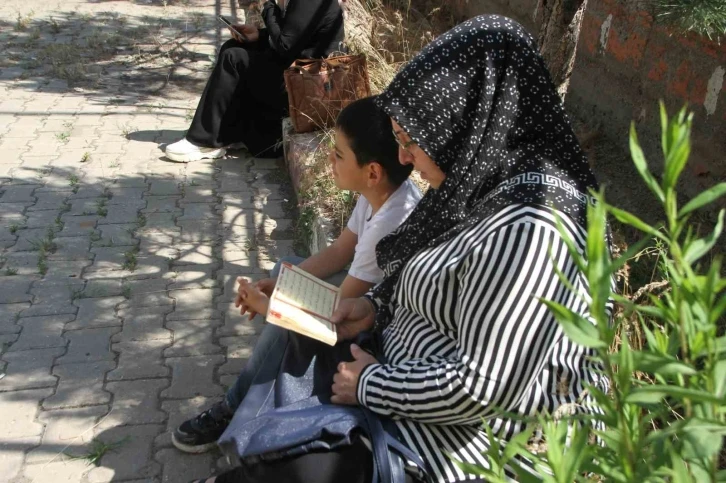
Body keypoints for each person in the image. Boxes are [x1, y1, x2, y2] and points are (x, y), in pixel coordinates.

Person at [192, 14, 611, 483]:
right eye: (399, 139)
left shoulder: (532, 228)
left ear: (467, 125)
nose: (404, 157)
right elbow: (417, 277)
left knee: (284, 468)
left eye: (412, 141)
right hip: (395, 373)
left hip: (455, 439)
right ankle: (245, 428)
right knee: (285, 395)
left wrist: (372, 385)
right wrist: (372, 308)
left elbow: (484, 388)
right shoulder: (477, 185)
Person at [172, 96, 422, 454]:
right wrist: (281, 285)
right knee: (285, 269)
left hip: (376, 330)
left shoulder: (390, 222)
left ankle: (234, 405)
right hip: (362, 302)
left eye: (338, 155)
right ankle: (272, 371)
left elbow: (337, 308)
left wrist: (272, 307)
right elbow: (339, 251)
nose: (329, 160)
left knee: (285, 317)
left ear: (372, 172)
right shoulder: (379, 192)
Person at [165, 0, 345, 162]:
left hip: (309, 88)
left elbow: (286, 45)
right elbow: (294, 34)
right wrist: (259, 35)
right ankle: (228, 133)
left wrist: (267, 5)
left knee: (234, 58)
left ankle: (204, 140)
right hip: (297, 74)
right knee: (234, 46)